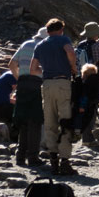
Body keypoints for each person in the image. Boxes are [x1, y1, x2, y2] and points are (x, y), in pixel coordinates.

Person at [30, 18, 78, 176]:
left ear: (47, 30)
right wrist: (72, 67)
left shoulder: (40, 45)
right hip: (63, 82)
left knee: (50, 122)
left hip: (47, 85)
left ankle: (53, 162)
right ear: (61, 30)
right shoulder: (63, 39)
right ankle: (65, 162)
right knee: (64, 121)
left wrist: (45, 73)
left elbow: (32, 69)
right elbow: (70, 51)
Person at [75, 22, 99, 145]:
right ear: (96, 34)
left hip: (81, 79)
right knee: (91, 108)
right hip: (95, 80)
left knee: (83, 105)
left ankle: (81, 132)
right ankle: (88, 139)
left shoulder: (81, 45)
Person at [13, 70, 44, 167]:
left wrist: (18, 77)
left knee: (23, 124)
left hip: (22, 84)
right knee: (34, 125)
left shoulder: (19, 53)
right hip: (36, 85)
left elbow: (11, 64)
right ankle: (33, 158)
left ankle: (20, 157)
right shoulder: (40, 54)